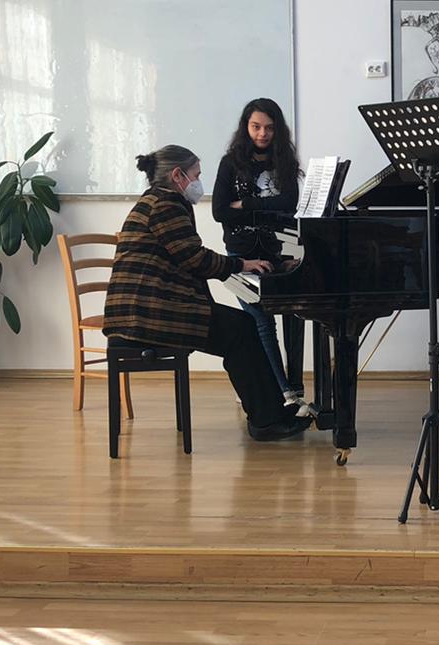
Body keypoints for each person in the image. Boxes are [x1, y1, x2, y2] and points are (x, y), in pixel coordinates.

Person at [104, 145, 311, 442]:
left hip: (145, 308)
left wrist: (247, 266)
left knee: (242, 327)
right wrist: (241, 264)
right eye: (196, 175)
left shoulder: (157, 200)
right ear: (178, 175)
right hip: (146, 315)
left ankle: (271, 414)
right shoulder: (165, 204)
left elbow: (188, 258)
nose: (199, 182)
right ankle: (267, 420)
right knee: (242, 329)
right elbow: (194, 259)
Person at [212, 100, 305, 405]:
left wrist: (247, 204)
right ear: (246, 127)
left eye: (269, 127)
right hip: (241, 256)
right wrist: (267, 208)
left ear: (277, 129)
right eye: (256, 127)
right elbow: (219, 211)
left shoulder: (284, 161)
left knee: (293, 316)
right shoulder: (230, 163)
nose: (262, 133)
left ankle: (291, 388)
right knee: (262, 321)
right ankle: (283, 392)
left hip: (278, 253)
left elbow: (289, 205)